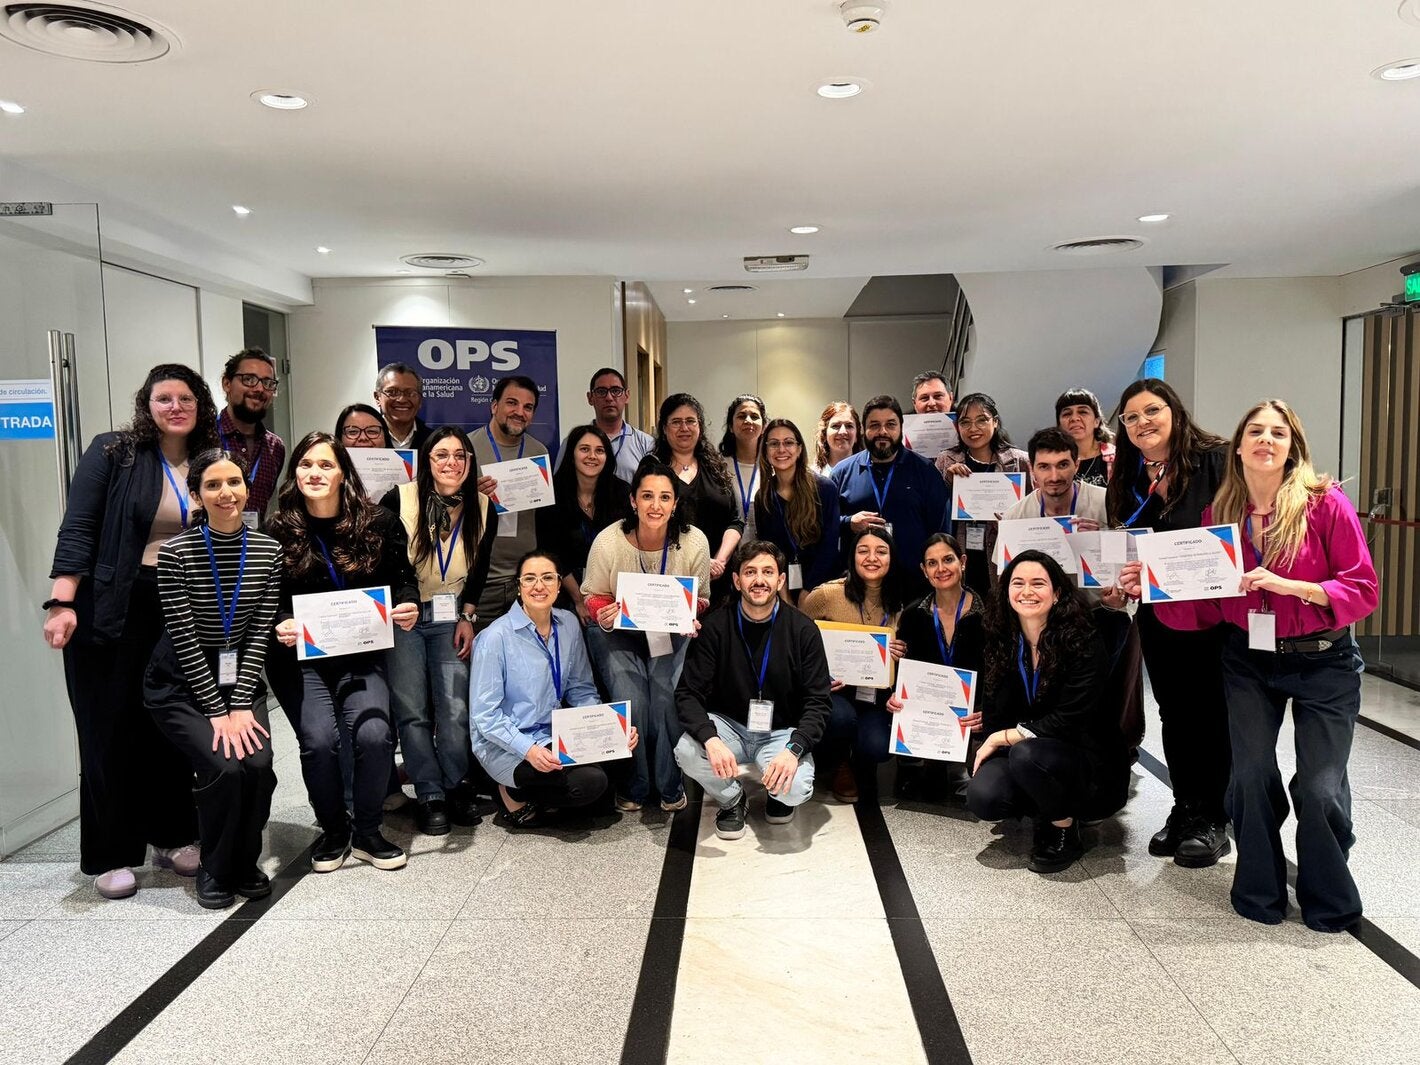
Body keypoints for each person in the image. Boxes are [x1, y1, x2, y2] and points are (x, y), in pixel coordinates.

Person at [1122, 400, 1378, 932]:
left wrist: (1296, 587)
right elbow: (1205, 609)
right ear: (1238, 447)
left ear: (1292, 447)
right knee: (1250, 775)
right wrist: (1150, 587)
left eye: (1278, 433)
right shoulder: (1222, 516)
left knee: (1321, 785)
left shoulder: (1325, 504)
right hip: (1247, 660)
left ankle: (1328, 894)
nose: (1266, 439)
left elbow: (1363, 588)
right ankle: (1259, 889)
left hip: (1323, 659)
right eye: (1255, 431)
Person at [43, 363, 217, 899]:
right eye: (163, 398)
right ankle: (111, 853)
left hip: (178, 604)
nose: (175, 407)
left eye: (184, 398)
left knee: (167, 725)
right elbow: (78, 526)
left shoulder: (210, 458)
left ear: (200, 404)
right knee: (108, 730)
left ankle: (170, 835)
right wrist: (61, 603)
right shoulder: (113, 451)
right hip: (111, 607)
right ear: (148, 404)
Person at [266, 431, 420, 872]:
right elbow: (269, 594)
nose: (315, 473)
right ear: (295, 473)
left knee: (374, 735)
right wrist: (282, 620)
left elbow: (403, 578)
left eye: (326, 465)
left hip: (361, 650)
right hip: (303, 658)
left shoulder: (379, 522)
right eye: (306, 465)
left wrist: (408, 603)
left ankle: (368, 833)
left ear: (342, 473)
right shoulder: (279, 528)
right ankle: (334, 831)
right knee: (318, 742)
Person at [144, 450, 281, 909]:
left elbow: (261, 631)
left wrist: (240, 703)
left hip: (240, 679)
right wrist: (218, 712)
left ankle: (246, 860)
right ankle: (216, 866)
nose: (227, 493)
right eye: (214, 485)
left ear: (246, 487)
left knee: (258, 766)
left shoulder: (268, 550)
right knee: (224, 767)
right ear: (197, 494)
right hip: (179, 684)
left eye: (234, 482)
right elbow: (182, 637)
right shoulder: (177, 553)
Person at [1105, 378, 1232, 868]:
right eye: (1132, 418)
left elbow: (1235, 532)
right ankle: (1185, 807)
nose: (1143, 424)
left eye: (1151, 411)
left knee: (1211, 713)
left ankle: (1213, 818)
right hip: (1160, 616)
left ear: (1174, 410)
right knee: (1175, 713)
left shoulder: (1216, 460)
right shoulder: (1131, 473)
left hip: (1213, 617)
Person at [966, 551, 1116, 874]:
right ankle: (1044, 808)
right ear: (1007, 591)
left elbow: (1072, 718)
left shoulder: (1083, 638)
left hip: (1084, 757)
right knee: (983, 794)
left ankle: (1064, 829)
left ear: (1057, 592)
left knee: (1024, 755)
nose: (1027, 592)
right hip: (1033, 754)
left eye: (1038, 583)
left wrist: (1006, 736)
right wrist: (995, 735)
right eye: (1018, 583)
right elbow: (993, 712)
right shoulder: (1000, 638)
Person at [379, 427, 496, 835]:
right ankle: (429, 793)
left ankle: (454, 784)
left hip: (450, 616)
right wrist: (401, 599)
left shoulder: (483, 506)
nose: (451, 463)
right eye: (441, 455)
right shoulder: (399, 499)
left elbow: (480, 569)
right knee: (412, 711)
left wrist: (468, 616)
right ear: (426, 460)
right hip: (406, 616)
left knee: (454, 708)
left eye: (460, 455)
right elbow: (387, 563)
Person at [470, 549, 641, 828]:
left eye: (548, 578)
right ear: (519, 586)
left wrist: (610, 729)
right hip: (510, 744)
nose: (539, 586)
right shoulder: (494, 638)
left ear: (560, 585)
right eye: (530, 579)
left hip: (555, 735)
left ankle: (545, 797)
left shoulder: (569, 624)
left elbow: (581, 688)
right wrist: (529, 750)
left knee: (621, 760)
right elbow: (485, 717)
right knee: (591, 783)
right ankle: (510, 791)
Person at [674, 541, 833, 837]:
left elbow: (818, 701)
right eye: (750, 572)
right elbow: (687, 694)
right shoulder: (715, 627)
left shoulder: (803, 630)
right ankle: (732, 798)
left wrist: (793, 749)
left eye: (768, 572)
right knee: (687, 751)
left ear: (780, 580)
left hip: (780, 730)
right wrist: (711, 739)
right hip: (729, 727)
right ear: (736, 581)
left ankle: (778, 792)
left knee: (796, 789)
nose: (759, 580)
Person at [581, 460, 712, 812]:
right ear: (633, 500)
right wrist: (602, 612)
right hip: (617, 632)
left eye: (665, 497)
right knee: (632, 698)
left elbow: (702, 598)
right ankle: (635, 785)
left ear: (675, 504)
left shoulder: (694, 541)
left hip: (668, 631)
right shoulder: (608, 541)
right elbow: (592, 593)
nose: (656, 505)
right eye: (648, 496)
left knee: (665, 697)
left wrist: (691, 614)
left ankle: (669, 785)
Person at [799, 528, 909, 802]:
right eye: (863, 551)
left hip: (875, 694)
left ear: (891, 558)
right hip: (834, 691)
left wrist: (902, 652)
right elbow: (798, 637)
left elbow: (905, 656)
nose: (872, 558)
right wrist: (817, 674)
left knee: (878, 747)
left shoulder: (900, 601)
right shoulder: (827, 595)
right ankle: (839, 763)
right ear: (852, 557)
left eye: (881, 551)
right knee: (840, 718)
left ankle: (859, 758)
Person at [889, 533, 986, 800]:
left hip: (974, 715)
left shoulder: (989, 613)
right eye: (932, 563)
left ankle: (958, 764)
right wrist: (896, 696)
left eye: (948, 560)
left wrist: (988, 711)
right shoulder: (913, 615)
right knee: (926, 789)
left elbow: (1001, 672)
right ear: (924, 570)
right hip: (928, 714)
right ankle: (922, 763)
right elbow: (907, 672)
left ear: (963, 562)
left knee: (983, 791)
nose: (941, 569)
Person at [829, 395, 949, 597]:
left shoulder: (926, 472)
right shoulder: (842, 473)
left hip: (914, 587)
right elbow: (824, 526)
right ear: (863, 430)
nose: (882, 432)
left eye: (890, 425)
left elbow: (940, 532)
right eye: (874, 425)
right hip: (857, 587)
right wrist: (849, 522)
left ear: (901, 428)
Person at [998, 428, 1126, 609]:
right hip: (1041, 612)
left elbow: (1132, 566)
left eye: (1063, 465)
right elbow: (1004, 580)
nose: (1054, 476)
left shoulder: (1109, 503)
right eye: (1044, 467)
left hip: (1100, 609)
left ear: (1077, 465)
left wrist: (1104, 540)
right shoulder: (1015, 517)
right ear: (1031, 468)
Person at [471, 375, 549, 629]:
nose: (519, 412)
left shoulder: (539, 453)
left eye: (528, 407)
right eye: (512, 403)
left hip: (524, 579)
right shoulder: (466, 448)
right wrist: (471, 496)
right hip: (481, 582)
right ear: (494, 406)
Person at [936, 392, 1030, 596]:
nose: (973, 429)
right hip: (961, 551)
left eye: (982, 420)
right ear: (957, 427)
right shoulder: (946, 460)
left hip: (1001, 554)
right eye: (965, 422)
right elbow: (934, 509)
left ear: (995, 422)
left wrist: (1012, 521)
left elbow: (1036, 508)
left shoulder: (1020, 461)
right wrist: (948, 483)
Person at [652, 393, 742, 603]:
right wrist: (701, 563)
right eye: (676, 422)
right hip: (672, 579)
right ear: (664, 429)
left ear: (700, 426)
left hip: (719, 580)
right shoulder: (653, 469)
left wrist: (719, 560)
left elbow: (735, 520)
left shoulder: (717, 467)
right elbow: (649, 524)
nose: (684, 428)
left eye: (690, 421)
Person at [537, 424, 630, 623]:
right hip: (565, 589)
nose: (592, 456)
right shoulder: (552, 495)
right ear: (572, 454)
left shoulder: (622, 493)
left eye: (599, 450)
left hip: (613, 590)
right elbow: (552, 553)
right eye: (584, 449)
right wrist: (579, 599)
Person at [752, 418, 842, 599]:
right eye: (774, 444)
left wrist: (808, 591)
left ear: (799, 449)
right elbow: (770, 553)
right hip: (781, 589)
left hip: (824, 589)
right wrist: (784, 596)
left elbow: (829, 547)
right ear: (765, 451)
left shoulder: (824, 489)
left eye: (789, 443)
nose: (781, 449)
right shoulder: (763, 498)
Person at [216, 348, 286, 523]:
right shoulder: (203, 436)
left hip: (253, 546)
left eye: (268, 383)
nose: (260, 388)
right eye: (249, 379)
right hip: (207, 546)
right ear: (227, 384)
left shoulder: (275, 447)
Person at [558, 367, 654, 481]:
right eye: (601, 392)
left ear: (627, 396)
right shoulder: (573, 442)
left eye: (616, 391)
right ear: (590, 398)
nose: (609, 398)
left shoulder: (646, 443)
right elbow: (560, 484)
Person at [718, 393, 767, 542]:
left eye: (754, 416)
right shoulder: (718, 466)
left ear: (764, 426)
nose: (748, 420)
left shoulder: (773, 466)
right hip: (726, 554)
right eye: (741, 416)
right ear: (731, 427)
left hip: (765, 555)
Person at [1056, 387, 1115, 487]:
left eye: (1083, 412)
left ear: (1097, 421)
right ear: (1059, 425)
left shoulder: (1118, 458)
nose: (1074, 418)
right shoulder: (1052, 461)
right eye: (1067, 414)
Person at [374, 363, 431, 451]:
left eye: (410, 393)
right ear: (377, 398)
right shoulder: (366, 438)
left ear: (420, 400)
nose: (402, 400)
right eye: (392, 392)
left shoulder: (435, 440)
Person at [813, 400, 862, 475]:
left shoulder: (868, 473)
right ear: (824, 434)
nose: (843, 432)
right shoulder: (812, 477)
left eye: (849, 426)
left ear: (856, 436)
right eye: (835, 426)